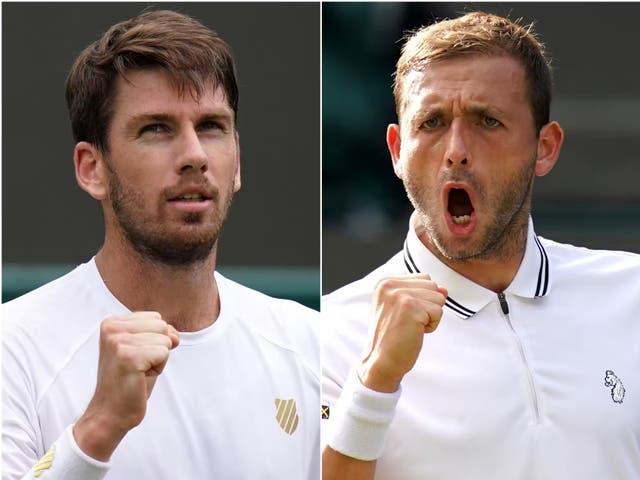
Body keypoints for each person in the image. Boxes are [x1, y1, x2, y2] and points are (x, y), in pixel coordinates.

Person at [321, 11, 640, 480]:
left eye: (487, 120)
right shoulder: (328, 337)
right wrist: (374, 383)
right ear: (396, 151)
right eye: (430, 123)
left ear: (545, 147)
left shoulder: (631, 293)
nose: (455, 149)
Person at [3, 10, 319, 480]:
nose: (193, 155)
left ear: (236, 164)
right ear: (92, 168)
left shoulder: (310, 344)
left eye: (212, 126)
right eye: (156, 129)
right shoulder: (13, 348)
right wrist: (97, 429)